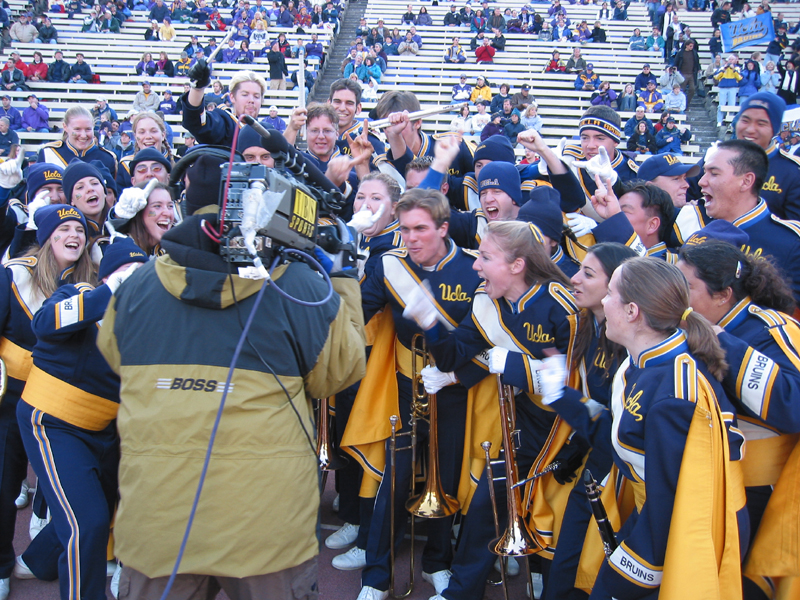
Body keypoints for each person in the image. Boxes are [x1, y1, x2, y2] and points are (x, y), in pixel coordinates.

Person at [539, 257, 745, 600]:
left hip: (670, 535)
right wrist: (563, 397)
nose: (603, 301)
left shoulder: (673, 394)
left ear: (632, 311)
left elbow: (672, 501)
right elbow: (620, 435)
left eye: (611, 294)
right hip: (647, 514)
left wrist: (630, 575)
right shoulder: (641, 362)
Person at [403, 219, 578, 600]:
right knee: (484, 507)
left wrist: (510, 363)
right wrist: (429, 320)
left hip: (570, 432)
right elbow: (452, 355)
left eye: (485, 257)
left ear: (517, 265)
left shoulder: (563, 307)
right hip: (524, 424)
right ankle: (461, 593)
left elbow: (575, 385)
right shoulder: (485, 301)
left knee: (562, 517)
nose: (476, 265)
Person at [350, 187, 483, 600]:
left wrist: (452, 369)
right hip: (407, 388)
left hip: (456, 391)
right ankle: (376, 576)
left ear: (444, 228)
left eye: (421, 229)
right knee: (396, 479)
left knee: (445, 481)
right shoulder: (390, 265)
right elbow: (357, 310)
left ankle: (438, 562)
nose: (411, 238)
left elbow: (480, 339)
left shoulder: (473, 269)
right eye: (406, 229)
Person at [14, 233, 147, 600]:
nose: (134, 278)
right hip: (53, 422)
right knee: (87, 523)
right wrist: (107, 295)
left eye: (141, 273)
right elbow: (44, 324)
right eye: (125, 271)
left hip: (107, 431)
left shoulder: (144, 325)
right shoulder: (77, 297)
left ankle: (37, 562)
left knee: (93, 506)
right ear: (107, 276)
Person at [677, 238, 800, 600]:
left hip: (762, 491)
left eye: (687, 286)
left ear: (723, 294)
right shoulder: (690, 324)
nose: (677, 294)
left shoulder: (771, 327)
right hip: (715, 482)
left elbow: (794, 405)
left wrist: (722, 342)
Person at [0, 200, 101, 600]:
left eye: (79, 231)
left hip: (68, 408)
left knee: (87, 496)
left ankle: (40, 559)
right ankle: (2, 564)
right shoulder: (13, 276)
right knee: (4, 484)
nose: (74, 236)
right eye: (63, 232)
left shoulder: (96, 277)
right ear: (44, 241)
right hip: (13, 398)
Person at [698, 139, 800, 303]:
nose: (701, 181)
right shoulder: (696, 227)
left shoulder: (791, 243)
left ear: (746, 181)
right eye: (704, 172)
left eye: (714, 173)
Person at [182, 69, 266, 148]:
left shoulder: (267, 132)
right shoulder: (225, 123)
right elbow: (196, 122)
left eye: (256, 96)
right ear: (232, 97)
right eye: (245, 95)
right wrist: (197, 88)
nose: (251, 100)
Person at [38, 106, 117, 177]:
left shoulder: (107, 158)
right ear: (65, 127)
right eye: (77, 129)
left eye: (88, 129)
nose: (83, 135)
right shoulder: (48, 153)